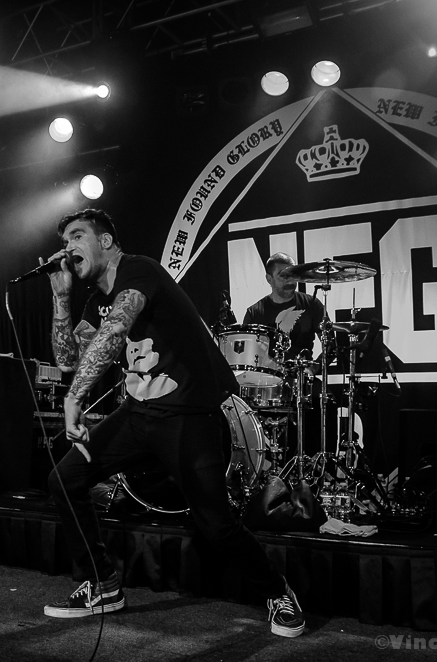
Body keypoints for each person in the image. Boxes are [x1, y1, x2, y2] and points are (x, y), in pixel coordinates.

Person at [41, 208, 305, 638]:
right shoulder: (95, 299)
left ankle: (278, 592)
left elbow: (115, 331)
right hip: (137, 414)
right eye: (64, 240)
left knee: (216, 523)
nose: (68, 247)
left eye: (76, 236)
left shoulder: (139, 270)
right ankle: (102, 584)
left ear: (105, 241)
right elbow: (69, 360)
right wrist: (60, 297)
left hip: (188, 413)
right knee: (64, 480)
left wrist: (75, 398)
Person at [243, 252, 328, 357]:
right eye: (283, 275)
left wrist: (316, 365)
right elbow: (246, 354)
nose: (290, 280)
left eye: (293, 274)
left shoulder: (312, 304)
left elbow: (330, 346)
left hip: (303, 367)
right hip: (266, 368)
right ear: (269, 279)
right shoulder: (254, 313)